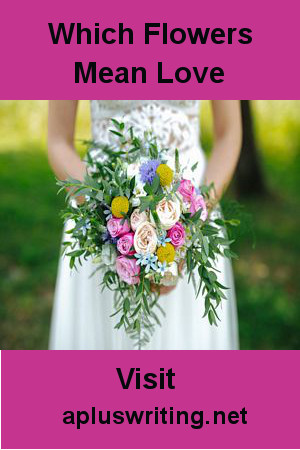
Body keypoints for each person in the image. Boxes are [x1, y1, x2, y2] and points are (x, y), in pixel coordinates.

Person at [48, 100, 242, 349]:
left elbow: (229, 133)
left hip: (192, 206)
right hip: (102, 215)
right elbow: (58, 140)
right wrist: (107, 215)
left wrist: (191, 224)